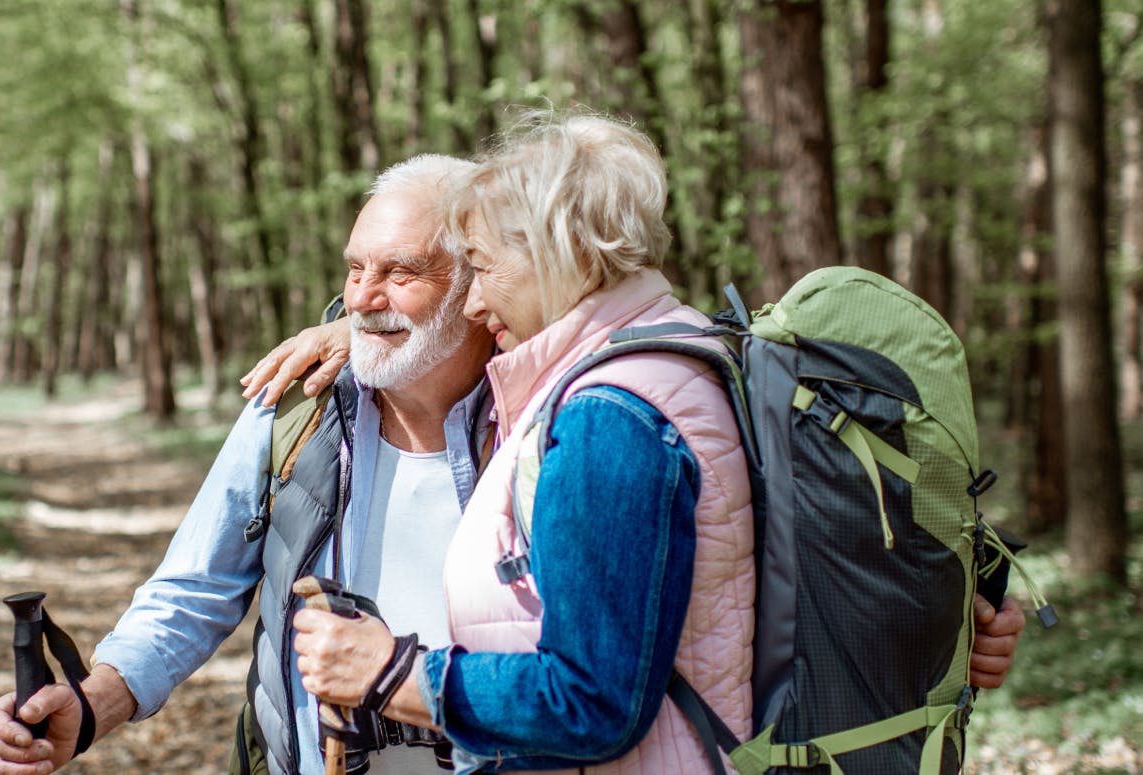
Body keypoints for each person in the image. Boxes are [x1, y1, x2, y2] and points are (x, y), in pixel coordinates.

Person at [278, 113, 1030, 773]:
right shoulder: (687, 348)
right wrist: (357, 332)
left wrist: (393, 673)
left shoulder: (612, 414)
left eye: (479, 268)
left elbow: (591, 701)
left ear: (556, 248)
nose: (472, 302)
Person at [0, 154, 499, 775]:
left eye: (401, 273)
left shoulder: (546, 425)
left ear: (480, 283)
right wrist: (93, 706)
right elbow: (196, 585)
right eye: (356, 267)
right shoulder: (297, 405)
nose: (361, 296)